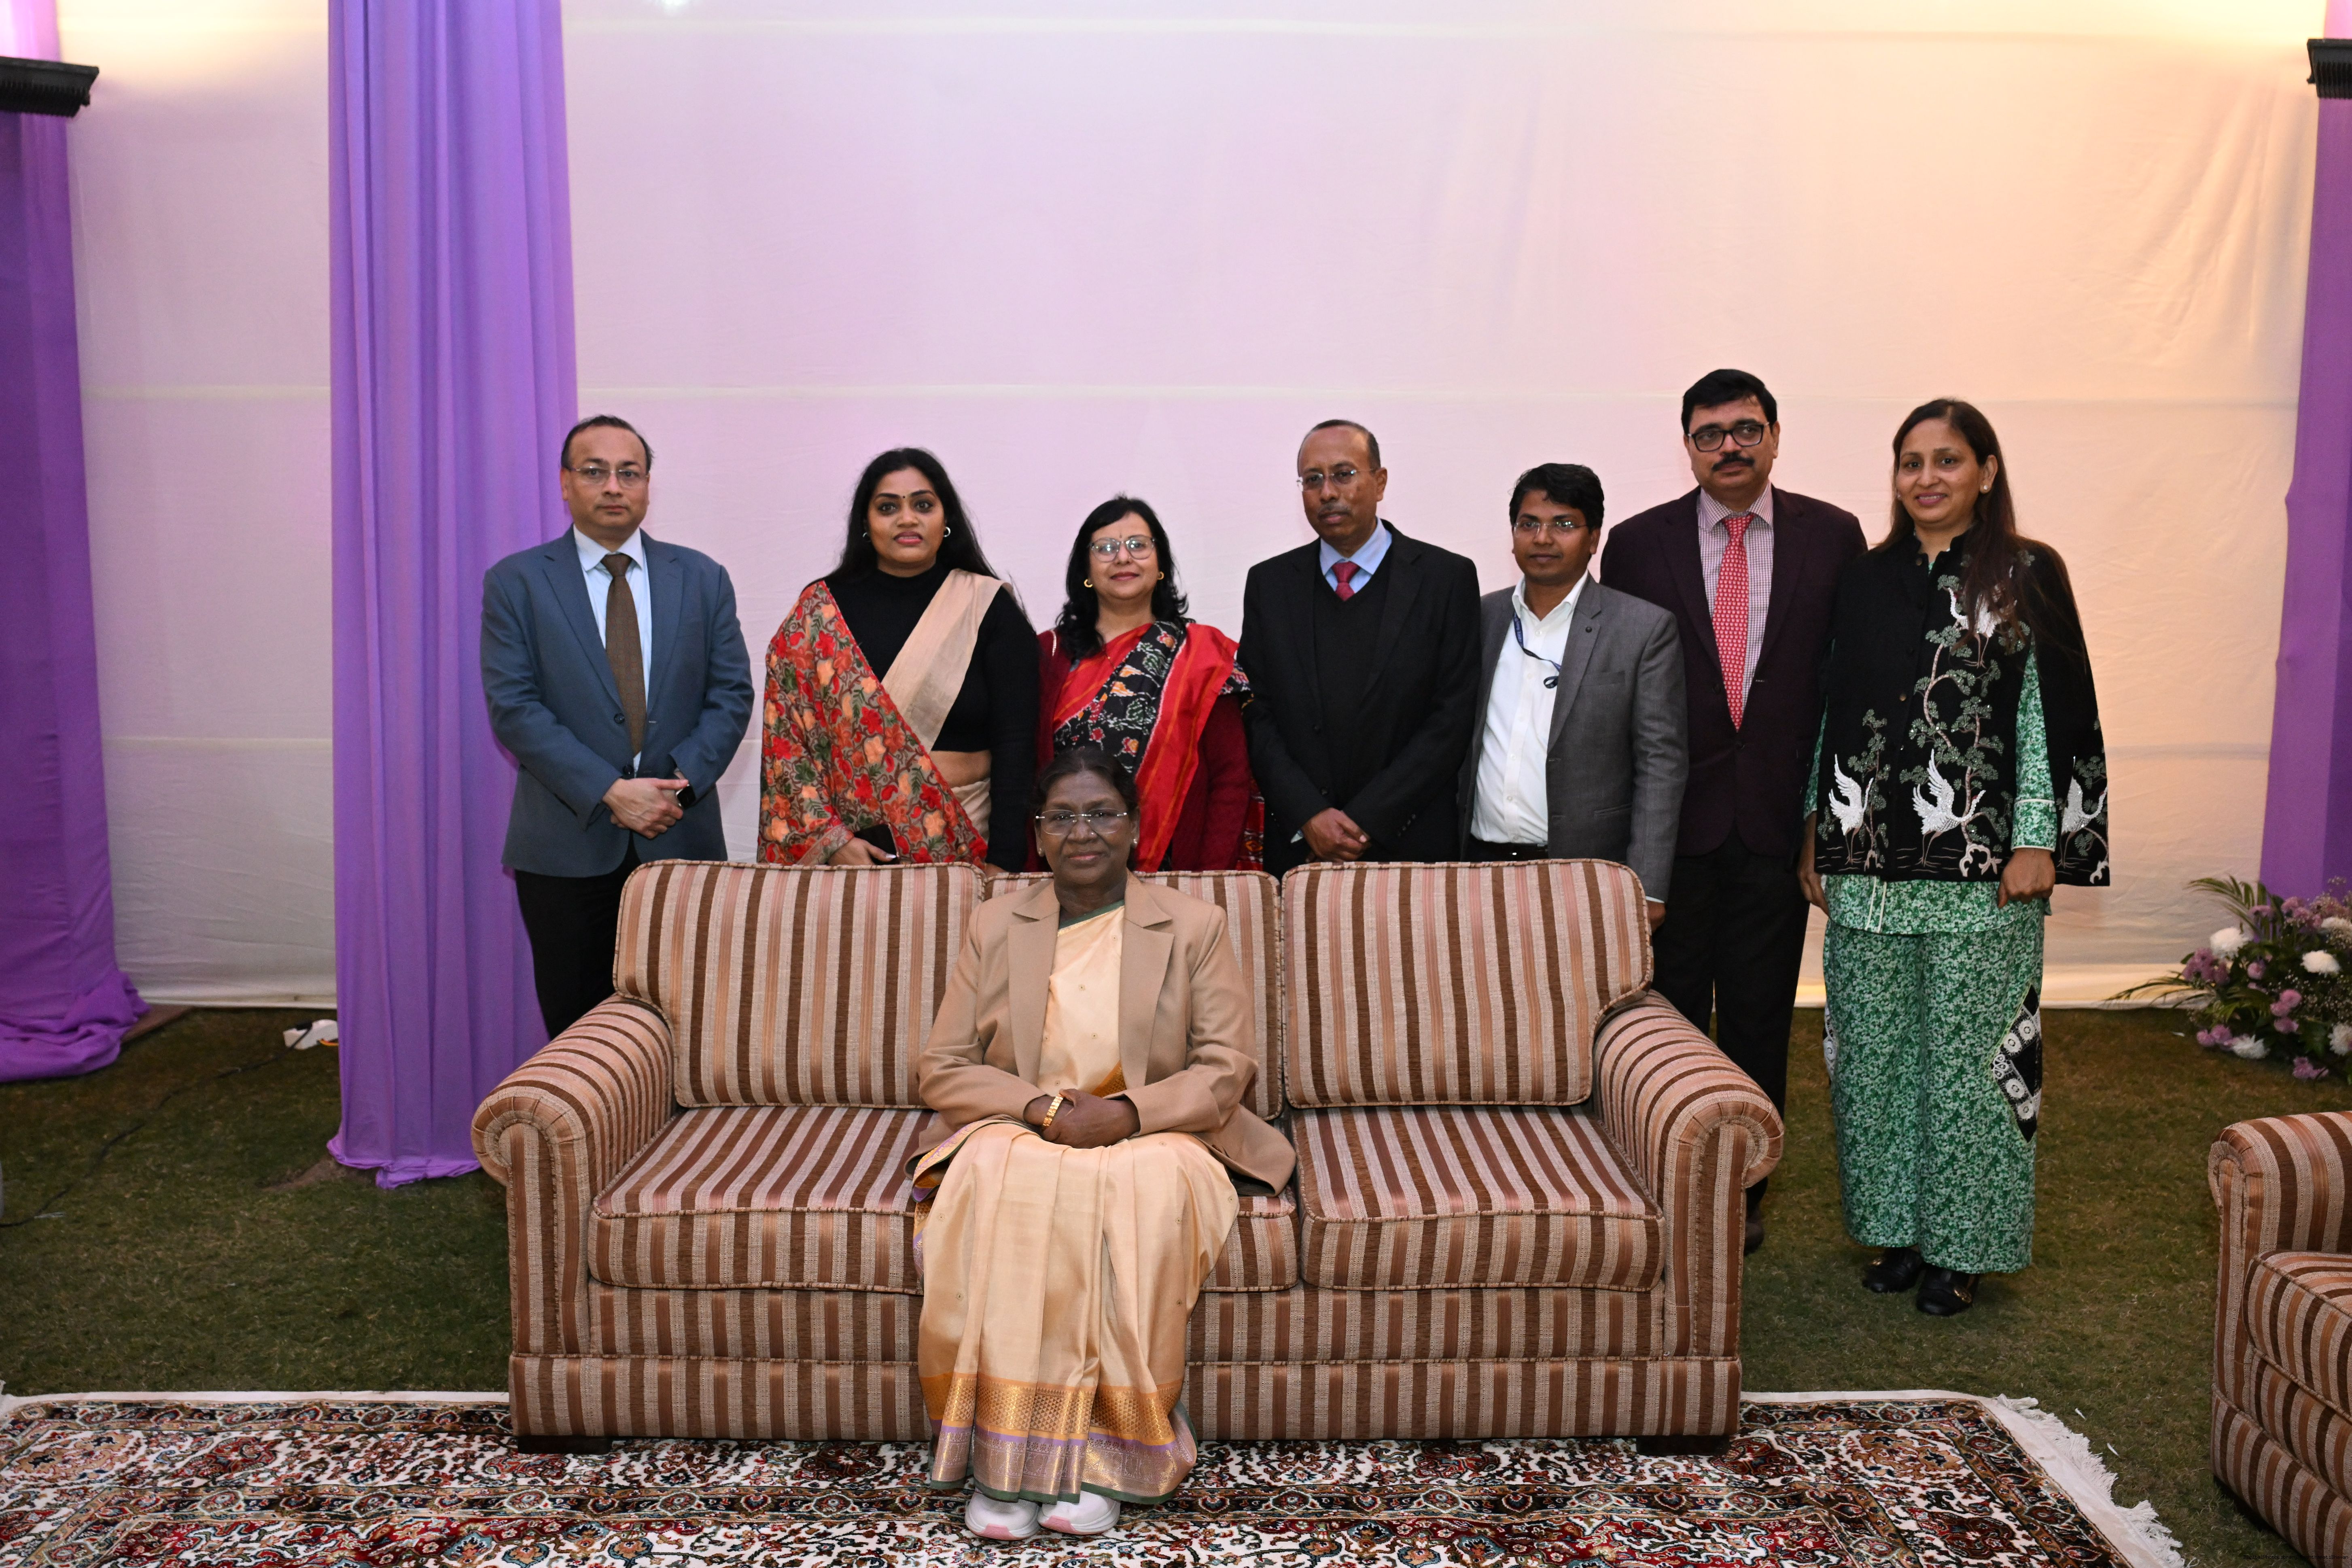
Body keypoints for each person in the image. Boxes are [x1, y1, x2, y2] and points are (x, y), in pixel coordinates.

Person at [911, 745, 1295, 1539]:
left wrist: (1123, 1113)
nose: (1081, 831)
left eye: (1100, 813)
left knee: (1134, 1196)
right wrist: (1037, 1106)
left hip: (1156, 1130)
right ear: (1037, 834)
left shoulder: (1192, 925)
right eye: (1061, 816)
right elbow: (941, 1065)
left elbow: (1226, 1066)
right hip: (1022, 1123)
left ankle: (1103, 1459)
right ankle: (1007, 1458)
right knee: (999, 1187)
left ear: (1134, 827)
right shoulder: (995, 924)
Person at [1798, 399, 2107, 1317]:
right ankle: (1896, 1232)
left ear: (1985, 470)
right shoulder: (1862, 579)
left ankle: (1962, 1248)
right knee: (1873, 1062)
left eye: (1945, 460)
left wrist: (2037, 839)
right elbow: (1831, 710)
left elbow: (2050, 709)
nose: (1925, 477)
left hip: (1983, 874)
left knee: (1972, 1068)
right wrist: (1815, 827)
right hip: (1866, 870)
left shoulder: (2025, 573)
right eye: (1910, 462)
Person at [1601, 369, 1866, 1254]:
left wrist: (1824, 822)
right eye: (1708, 433)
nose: (1728, 447)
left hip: (1775, 822)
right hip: (1668, 822)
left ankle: (1744, 1183)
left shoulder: (1833, 536)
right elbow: (1618, 687)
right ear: (1686, 445)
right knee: (1666, 1010)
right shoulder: (1637, 544)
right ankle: (1666, 1166)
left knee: (1758, 1012)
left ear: (1774, 436)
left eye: (1745, 429)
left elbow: (1846, 684)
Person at [481, 414, 754, 1037]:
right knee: (579, 1032)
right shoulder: (517, 582)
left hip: (680, 840)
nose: (613, 486)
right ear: (565, 483)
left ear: (648, 485)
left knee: (687, 1028)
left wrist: (676, 789)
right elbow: (515, 706)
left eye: (629, 472)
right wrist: (610, 790)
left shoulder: (702, 578)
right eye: (595, 471)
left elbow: (732, 693)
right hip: (564, 847)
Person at [758, 448, 1039, 872]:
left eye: (923, 505)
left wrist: (1003, 862)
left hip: (967, 847)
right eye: (888, 507)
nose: (907, 519)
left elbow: (1016, 744)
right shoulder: (818, 614)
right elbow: (787, 744)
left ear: (946, 519)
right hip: (852, 856)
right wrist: (832, 841)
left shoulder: (986, 606)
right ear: (865, 523)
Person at [1239, 419, 1481, 876]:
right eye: (1312, 479)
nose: (1327, 492)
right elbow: (1257, 712)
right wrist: (1309, 814)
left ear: (1380, 482)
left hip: (1412, 843)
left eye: (1343, 474)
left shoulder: (1445, 579)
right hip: (1301, 847)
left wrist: (1366, 820)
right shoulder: (1269, 584)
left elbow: (1451, 719)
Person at [1458, 464, 1686, 920]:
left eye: (1563, 524)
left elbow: (1660, 764)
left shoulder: (1642, 629)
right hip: (1477, 869)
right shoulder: (1479, 618)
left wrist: (1648, 885)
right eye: (1528, 524)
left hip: (1587, 877)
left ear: (1593, 537)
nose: (1542, 538)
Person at [1036, 496, 1259, 872]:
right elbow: (1028, 772)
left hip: (1177, 871)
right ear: (1085, 569)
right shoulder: (1050, 655)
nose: (1123, 558)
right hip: (1068, 867)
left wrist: (1208, 878)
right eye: (1105, 547)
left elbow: (1230, 777)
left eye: (1138, 545)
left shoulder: (1202, 655)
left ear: (1160, 565)